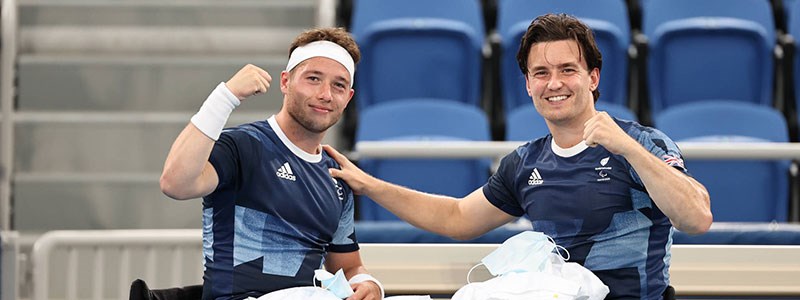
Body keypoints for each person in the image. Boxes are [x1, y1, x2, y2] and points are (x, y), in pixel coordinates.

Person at [324, 14, 712, 299]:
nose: (554, 83)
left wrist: (627, 148)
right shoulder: (525, 164)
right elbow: (457, 218)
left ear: (593, 78)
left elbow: (696, 217)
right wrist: (370, 186)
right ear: (527, 85)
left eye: (567, 70)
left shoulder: (642, 142)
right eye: (540, 72)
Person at [160, 27, 383, 300]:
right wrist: (226, 96)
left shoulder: (338, 177)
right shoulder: (243, 146)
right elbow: (175, 183)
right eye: (313, 78)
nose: (326, 94)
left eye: (338, 85)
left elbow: (348, 266)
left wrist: (369, 283)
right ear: (285, 82)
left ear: (348, 97)